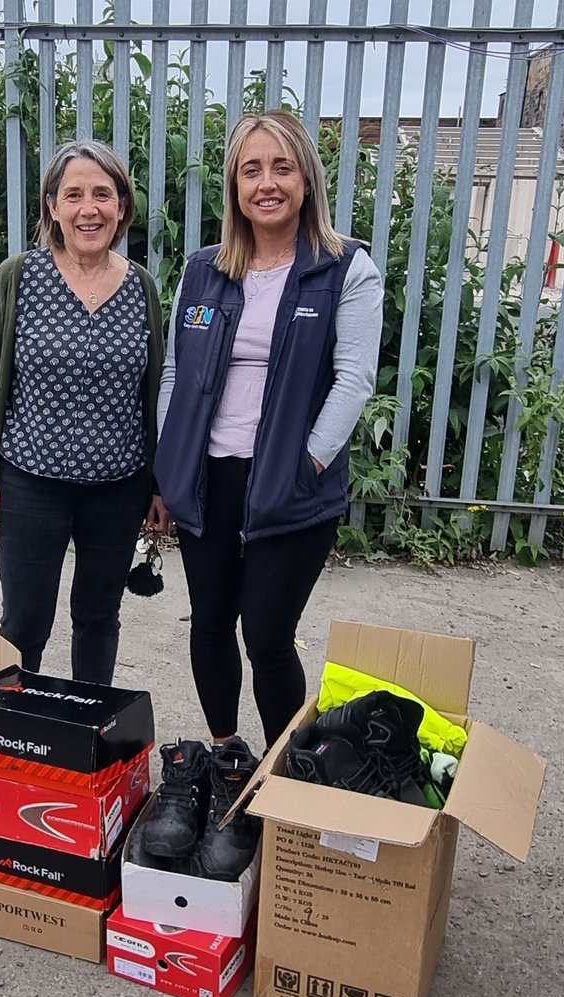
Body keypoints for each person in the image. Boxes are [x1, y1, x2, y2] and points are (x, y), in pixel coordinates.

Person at [154, 109, 383, 748]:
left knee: (268, 635)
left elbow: (353, 381)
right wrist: (171, 467)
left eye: (282, 167)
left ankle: (288, 770)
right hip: (209, 479)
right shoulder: (204, 270)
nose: (267, 183)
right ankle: (227, 754)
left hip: (292, 482)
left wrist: (309, 463)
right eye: (251, 170)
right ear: (235, 186)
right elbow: (175, 372)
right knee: (209, 623)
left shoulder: (345, 269)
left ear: (306, 180)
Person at [0, 140, 168, 686]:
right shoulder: (18, 278)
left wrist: (159, 484)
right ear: (52, 207)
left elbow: (154, 392)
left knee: (98, 620)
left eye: (102, 194)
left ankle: (89, 726)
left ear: (121, 206)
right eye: (73, 195)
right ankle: (12, 724)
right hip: (30, 483)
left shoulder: (141, 287)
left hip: (118, 488)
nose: (88, 209)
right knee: (24, 624)